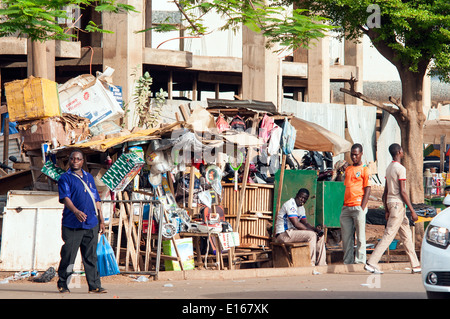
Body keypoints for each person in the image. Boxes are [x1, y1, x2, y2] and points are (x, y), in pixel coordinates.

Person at [365, 143, 421, 274]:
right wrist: (412, 210)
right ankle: (371, 263)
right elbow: (402, 191)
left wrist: (386, 209)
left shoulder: (389, 168)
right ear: (400, 152)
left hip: (392, 204)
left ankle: (416, 265)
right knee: (389, 234)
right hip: (398, 205)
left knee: (406, 235)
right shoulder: (400, 168)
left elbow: (385, 191)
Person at [57, 149, 107, 293]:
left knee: (91, 256)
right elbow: (65, 198)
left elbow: (96, 199)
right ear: (69, 160)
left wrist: (101, 220)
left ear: (82, 161)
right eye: (73, 159)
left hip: (91, 223)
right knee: (69, 256)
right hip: (72, 224)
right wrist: (76, 211)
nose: (75, 161)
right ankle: (63, 284)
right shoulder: (65, 178)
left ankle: (94, 285)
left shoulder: (89, 178)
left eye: (78, 159)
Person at [275, 188, 327, 266]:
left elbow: (305, 223)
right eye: (301, 197)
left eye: (305, 199)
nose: (302, 200)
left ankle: (321, 264)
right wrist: (311, 231)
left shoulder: (301, 208)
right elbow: (296, 223)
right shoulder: (290, 204)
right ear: (297, 195)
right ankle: (310, 264)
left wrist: (316, 230)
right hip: (283, 234)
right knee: (312, 235)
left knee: (320, 236)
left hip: (293, 233)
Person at [338, 143, 371, 264]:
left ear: (361, 154)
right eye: (352, 155)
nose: (354, 157)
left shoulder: (365, 169)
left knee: (360, 237)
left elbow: (368, 188)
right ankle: (347, 261)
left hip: (358, 206)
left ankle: (360, 261)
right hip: (347, 207)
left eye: (356, 155)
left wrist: (362, 207)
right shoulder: (348, 169)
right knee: (346, 237)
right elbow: (343, 185)